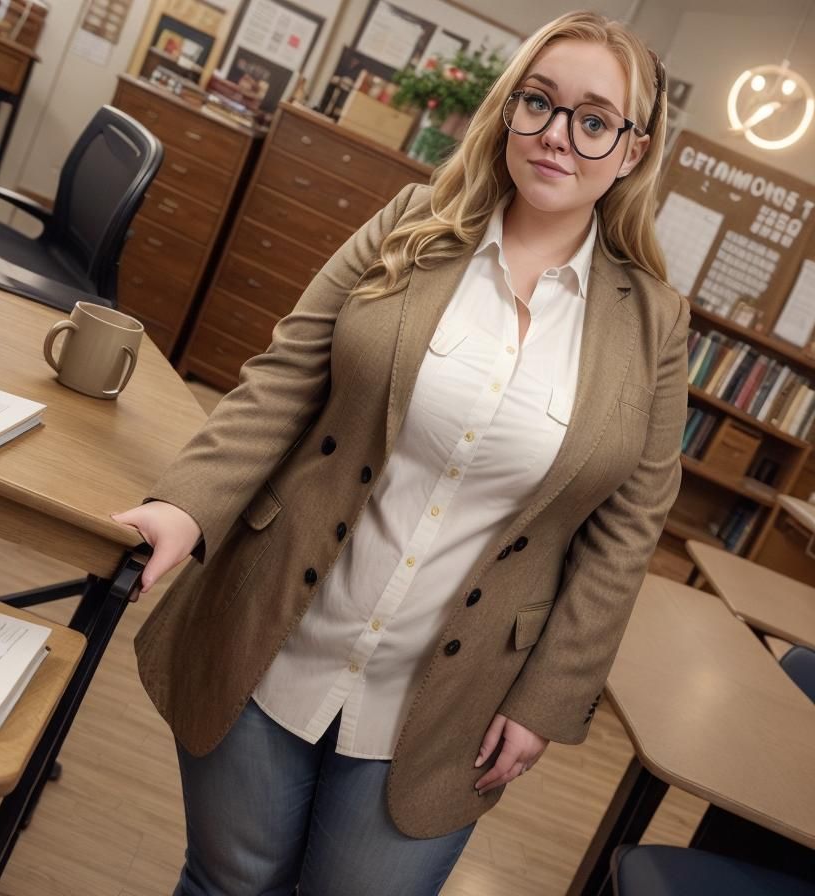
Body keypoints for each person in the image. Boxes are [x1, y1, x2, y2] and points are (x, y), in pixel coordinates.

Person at [112, 9, 689, 895]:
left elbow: (627, 534)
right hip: (279, 625)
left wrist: (545, 701)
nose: (556, 136)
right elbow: (285, 375)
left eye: (594, 118)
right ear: (508, 110)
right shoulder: (415, 223)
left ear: (633, 150)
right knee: (229, 881)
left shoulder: (653, 323)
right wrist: (184, 503)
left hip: (449, 699)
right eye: (537, 102)